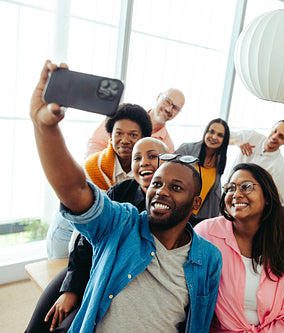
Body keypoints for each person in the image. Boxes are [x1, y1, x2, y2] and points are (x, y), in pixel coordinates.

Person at [30, 60, 222, 332]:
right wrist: (45, 128)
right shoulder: (122, 222)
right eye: (157, 183)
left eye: (176, 187)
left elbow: (198, 322)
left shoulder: (209, 258)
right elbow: (76, 190)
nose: (161, 191)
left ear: (196, 203)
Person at [25, 137, 169, 333]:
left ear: (169, 161)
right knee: (39, 323)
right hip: (88, 266)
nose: (143, 162)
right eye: (137, 158)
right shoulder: (121, 191)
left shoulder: (174, 207)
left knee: (66, 328)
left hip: (116, 281)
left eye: (152, 156)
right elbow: (85, 242)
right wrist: (71, 289)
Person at [194, 163, 284, 332]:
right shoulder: (207, 234)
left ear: (267, 197)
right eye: (230, 188)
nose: (236, 194)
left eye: (246, 187)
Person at [46, 103, 153, 259]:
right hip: (69, 228)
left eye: (133, 135)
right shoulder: (93, 167)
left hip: (105, 232)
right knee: (62, 276)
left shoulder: (145, 170)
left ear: (143, 138)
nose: (125, 140)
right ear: (110, 136)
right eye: (119, 133)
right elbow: (88, 215)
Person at [85, 88, 185, 157]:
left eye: (175, 108)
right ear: (158, 96)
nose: (169, 109)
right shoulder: (124, 115)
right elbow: (95, 144)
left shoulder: (168, 146)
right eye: (167, 101)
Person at [176, 118, 230, 222]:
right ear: (206, 132)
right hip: (177, 210)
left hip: (196, 218)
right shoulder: (186, 149)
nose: (214, 137)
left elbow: (215, 195)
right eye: (211, 131)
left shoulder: (220, 161)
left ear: (224, 139)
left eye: (220, 135)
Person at [229, 120, 284, 196]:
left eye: (280, 136)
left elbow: (276, 196)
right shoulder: (252, 137)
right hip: (227, 187)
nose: (274, 137)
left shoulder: (278, 167)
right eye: (275, 131)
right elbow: (224, 136)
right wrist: (236, 141)